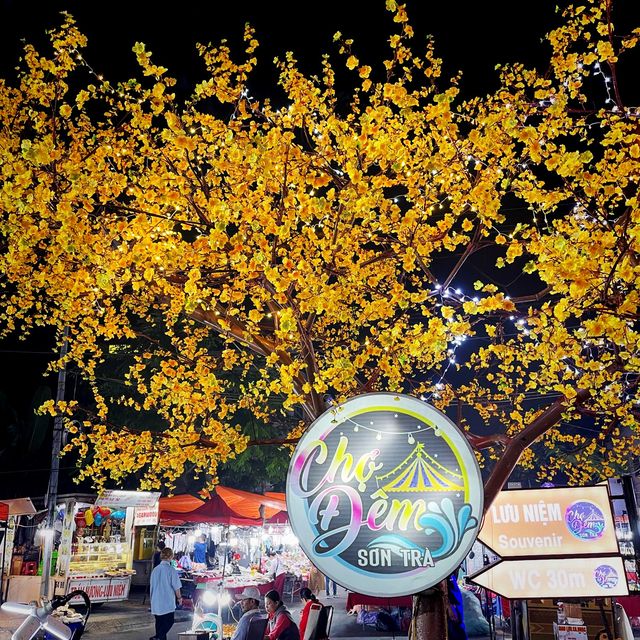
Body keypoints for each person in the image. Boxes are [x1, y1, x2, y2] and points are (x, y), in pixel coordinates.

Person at [150, 547, 182, 640]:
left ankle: (159, 637)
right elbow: (177, 587)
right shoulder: (171, 570)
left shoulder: (155, 570)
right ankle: (158, 637)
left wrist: (152, 600)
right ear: (171, 557)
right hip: (167, 602)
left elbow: (152, 586)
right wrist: (179, 598)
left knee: (159, 623)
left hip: (156, 600)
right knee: (169, 621)